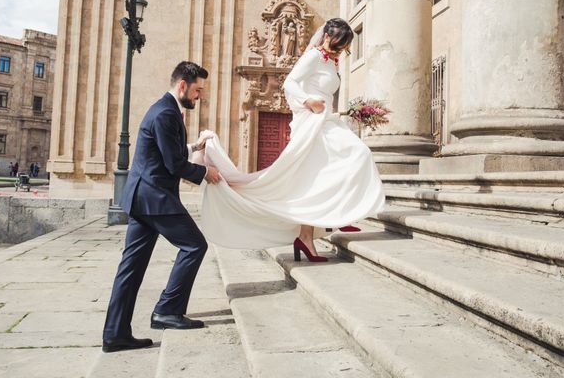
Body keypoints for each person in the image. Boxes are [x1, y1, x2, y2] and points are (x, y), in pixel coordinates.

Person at [199, 18, 385, 261]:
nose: (340, 50)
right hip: (313, 121)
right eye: (339, 44)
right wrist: (308, 101)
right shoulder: (314, 57)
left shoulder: (332, 61)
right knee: (355, 155)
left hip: (326, 120)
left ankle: (324, 224)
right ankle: (325, 224)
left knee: (320, 174)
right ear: (327, 36)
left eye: (344, 46)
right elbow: (290, 83)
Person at [102, 62, 221, 353]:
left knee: (131, 268)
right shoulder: (167, 113)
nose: (199, 96)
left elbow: (169, 151)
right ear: (183, 85)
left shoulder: (163, 110)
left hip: (143, 198)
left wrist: (195, 147)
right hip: (155, 198)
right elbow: (174, 164)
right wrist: (206, 174)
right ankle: (167, 310)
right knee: (195, 246)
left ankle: (115, 334)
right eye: (197, 90)